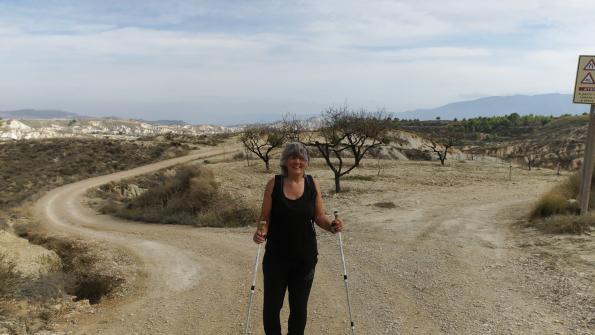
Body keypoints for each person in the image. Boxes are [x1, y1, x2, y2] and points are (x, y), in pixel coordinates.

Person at [253, 142, 344, 335]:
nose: (297, 161)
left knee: (299, 309)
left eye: (301, 158)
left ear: (307, 162)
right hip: (276, 258)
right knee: (271, 308)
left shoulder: (313, 184)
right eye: (293, 157)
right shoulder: (274, 184)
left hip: (305, 258)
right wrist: (261, 232)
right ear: (285, 161)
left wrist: (332, 226)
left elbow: (319, 217)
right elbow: (265, 218)